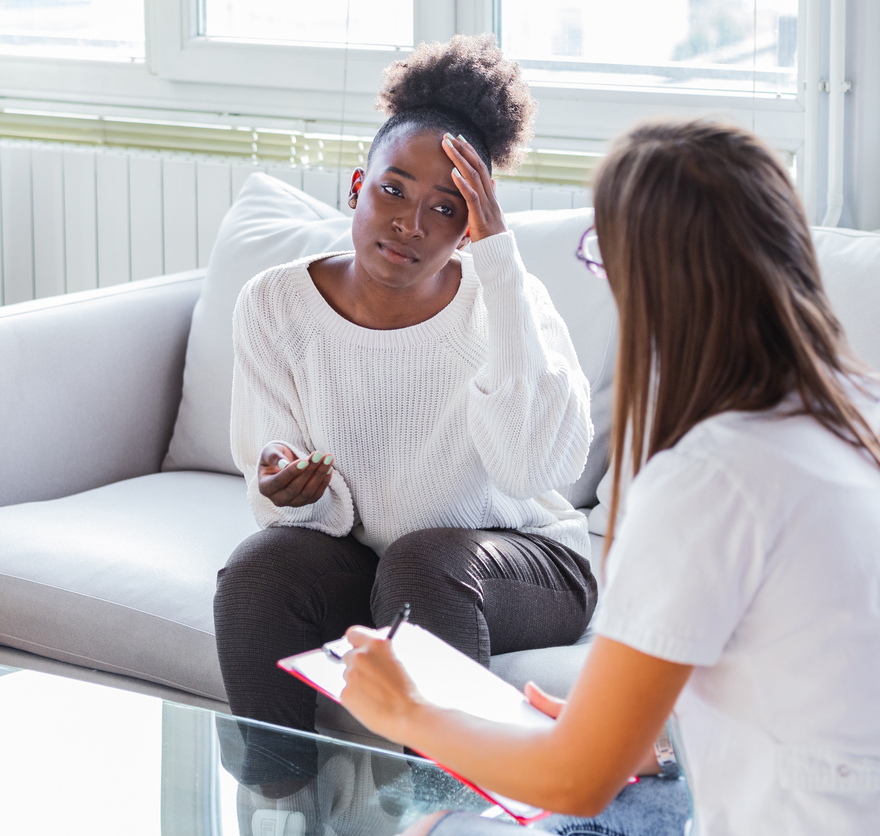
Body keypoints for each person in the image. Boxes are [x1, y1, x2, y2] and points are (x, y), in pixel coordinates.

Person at [336, 120, 880, 836]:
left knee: (447, 827)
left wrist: (406, 710)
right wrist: (620, 727)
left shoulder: (709, 479)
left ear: (651, 281)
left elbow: (576, 780)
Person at [215, 34, 597, 787]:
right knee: (260, 569)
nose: (409, 223)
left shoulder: (506, 303)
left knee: (423, 564)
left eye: (444, 208)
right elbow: (283, 486)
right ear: (358, 184)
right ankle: (279, 806)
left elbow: (530, 468)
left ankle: (439, 811)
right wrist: (289, 483)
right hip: (379, 559)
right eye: (393, 189)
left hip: (525, 561)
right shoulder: (275, 303)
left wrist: (501, 266)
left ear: (469, 226)